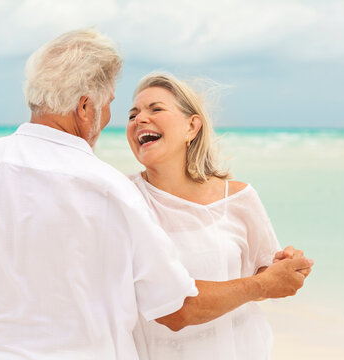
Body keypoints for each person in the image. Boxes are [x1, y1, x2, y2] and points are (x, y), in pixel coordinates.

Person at [0, 29, 313, 360]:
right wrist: (262, 287)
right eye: (117, 106)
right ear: (85, 107)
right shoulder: (112, 190)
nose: (119, 118)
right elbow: (177, 308)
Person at [126, 72, 309, 359]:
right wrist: (261, 284)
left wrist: (284, 268)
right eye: (132, 114)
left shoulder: (239, 197)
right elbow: (173, 309)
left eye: (156, 109)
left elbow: (265, 280)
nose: (139, 120)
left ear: (192, 126)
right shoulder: (124, 200)